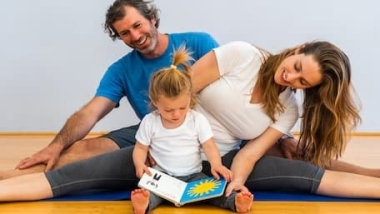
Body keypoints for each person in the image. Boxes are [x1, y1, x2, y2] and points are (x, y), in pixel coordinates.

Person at [1, 0, 375, 181]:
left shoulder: (200, 42)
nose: (135, 35)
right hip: (163, 126)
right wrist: (55, 143)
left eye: (137, 25)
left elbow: (236, 96)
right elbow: (90, 112)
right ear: (119, 38)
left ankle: (370, 173)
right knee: (83, 149)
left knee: (295, 149)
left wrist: (232, 159)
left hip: (229, 137)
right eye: (125, 33)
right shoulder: (121, 69)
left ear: (153, 18)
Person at [2, 40, 380, 203]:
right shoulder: (241, 55)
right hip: (165, 129)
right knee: (78, 156)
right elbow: (180, 91)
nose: (291, 79)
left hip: (212, 157)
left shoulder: (288, 110)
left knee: (301, 168)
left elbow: (248, 155)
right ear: (297, 50)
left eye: (302, 82)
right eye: (297, 68)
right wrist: (151, 144)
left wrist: (233, 181)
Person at [131, 46, 252, 213]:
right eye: (168, 110)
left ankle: (235, 202)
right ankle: (144, 204)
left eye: (182, 107)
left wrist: (216, 164)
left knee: (217, 190)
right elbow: (141, 147)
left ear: (190, 98)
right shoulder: (150, 122)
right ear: (154, 101)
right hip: (163, 176)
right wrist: (139, 163)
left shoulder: (196, 119)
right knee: (149, 189)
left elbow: (209, 146)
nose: (176, 114)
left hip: (194, 176)